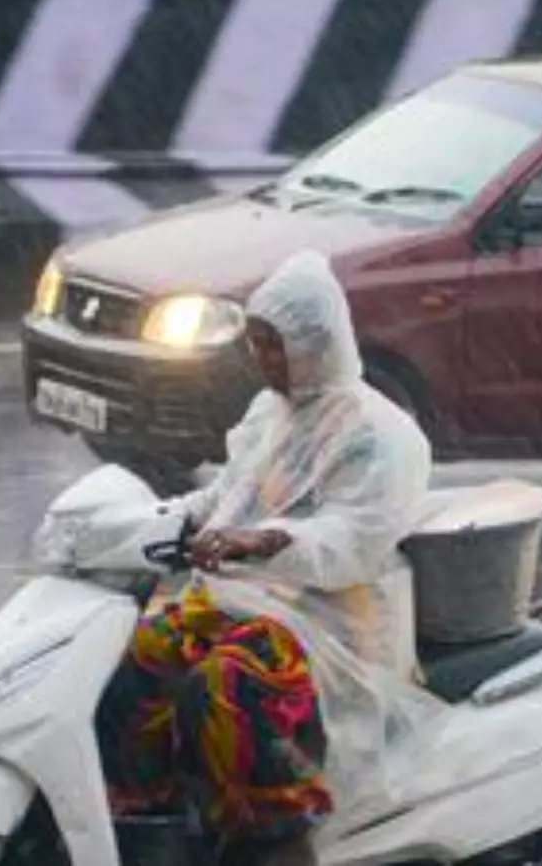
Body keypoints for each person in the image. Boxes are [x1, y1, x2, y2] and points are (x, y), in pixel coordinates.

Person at [94, 249, 433, 866]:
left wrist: (266, 540)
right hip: (243, 601)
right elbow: (226, 498)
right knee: (126, 662)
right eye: (255, 344)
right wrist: (138, 523)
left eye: (276, 346)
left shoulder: (379, 435)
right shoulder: (269, 415)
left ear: (318, 343)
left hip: (333, 624)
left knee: (223, 689)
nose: (264, 360)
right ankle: (150, 828)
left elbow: (353, 540)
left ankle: (273, 841)